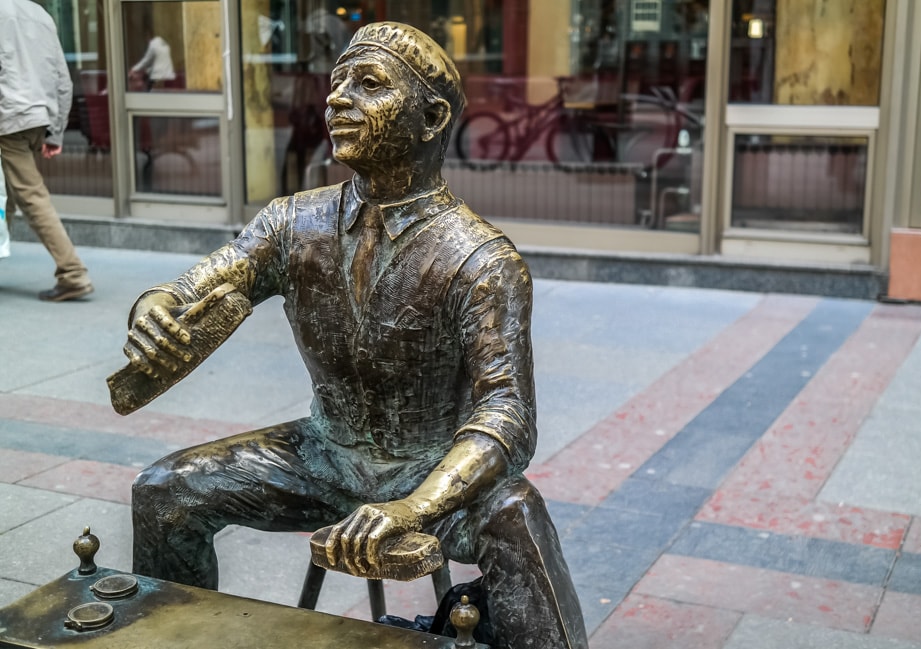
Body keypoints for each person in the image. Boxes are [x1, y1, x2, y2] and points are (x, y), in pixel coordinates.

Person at [122, 22, 587, 649]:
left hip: (429, 471)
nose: (337, 99)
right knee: (164, 492)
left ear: (431, 118)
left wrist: (415, 508)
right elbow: (205, 282)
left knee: (516, 516)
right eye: (337, 83)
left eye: (368, 85)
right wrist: (157, 307)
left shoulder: (481, 259)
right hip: (324, 455)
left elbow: (507, 416)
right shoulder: (293, 222)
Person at [0, 0, 94, 301]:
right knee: (10, 197)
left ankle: (73, 274)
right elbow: (62, 80)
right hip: (36, 119)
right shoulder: (41, 14)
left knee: (30, 196)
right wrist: (55, 131)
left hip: (8, 120)